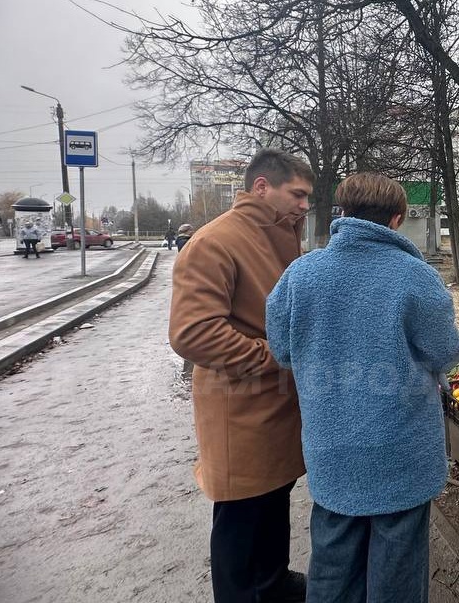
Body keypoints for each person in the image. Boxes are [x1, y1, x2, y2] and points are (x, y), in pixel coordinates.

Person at [265, 172, 459, 602]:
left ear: (344, 212)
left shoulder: (301, 275)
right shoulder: (415, 276)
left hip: (330, 447)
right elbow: (447, 352)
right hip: (401, 452)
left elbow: (281, 349)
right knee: (397, 569)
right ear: (396, 219)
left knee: (333, 565)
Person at [168, 148, 313, 603]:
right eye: (298, 194)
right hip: (241, 413)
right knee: (241, 523)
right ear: (261, 187)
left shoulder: (276, 234)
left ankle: (273, 583)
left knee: (271, 508)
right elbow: (193, 332)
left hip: (272, 408)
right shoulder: (216, 241)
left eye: (309, 197)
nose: (305, 205)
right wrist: (277, 356)